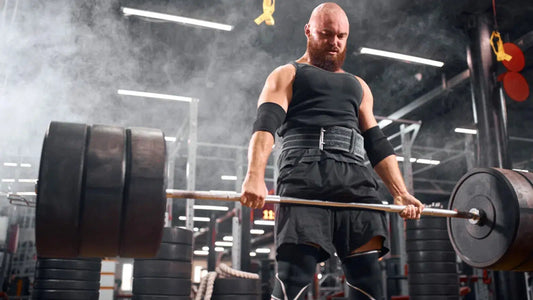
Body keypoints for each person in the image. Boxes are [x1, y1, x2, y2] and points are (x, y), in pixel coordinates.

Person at [240, 2, 424, 300]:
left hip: (356, 180)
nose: (334, 43)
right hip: (303, 176)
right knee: (294, 275)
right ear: (308, 31)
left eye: (341, 36)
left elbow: (376, 141)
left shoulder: (358, 85)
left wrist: (400, 192)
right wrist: (254, 176)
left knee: (368, 277)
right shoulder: (287, 74)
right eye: (326, 34)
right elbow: (265, 126)